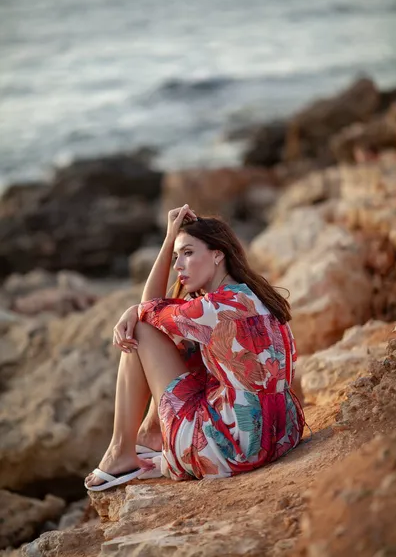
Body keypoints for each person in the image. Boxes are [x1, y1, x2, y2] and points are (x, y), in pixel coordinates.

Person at [85, 205, 305, 490]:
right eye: (176, 256)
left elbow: (146, 315)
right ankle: (149, 436)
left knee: (140, 331)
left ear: (217, 254)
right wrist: (140, 306)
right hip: (280, 433)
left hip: (234, 447)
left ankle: (120, 451)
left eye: (187, 253)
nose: (178, 266)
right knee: (184, 343)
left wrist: (166, 241)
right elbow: (152, 309)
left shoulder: (211, 309)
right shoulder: (252, 295)